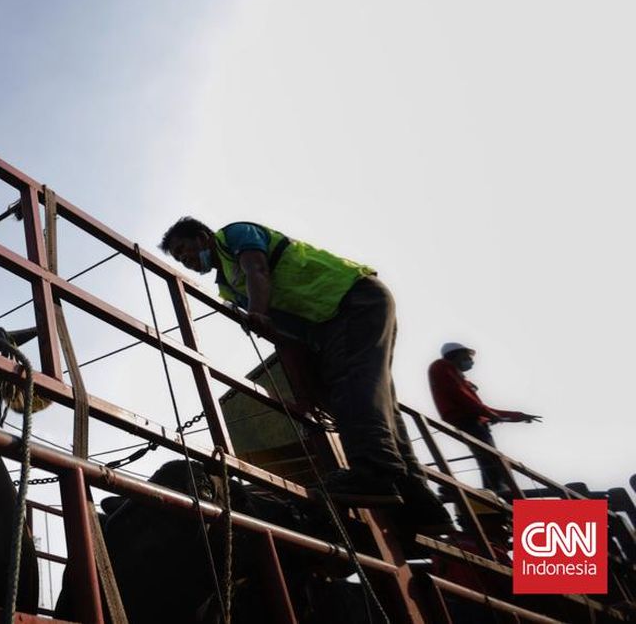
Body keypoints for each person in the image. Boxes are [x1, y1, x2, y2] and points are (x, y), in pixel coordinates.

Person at [159, 217, 452, 533]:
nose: (185, 260)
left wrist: (256, 311)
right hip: (328, 324)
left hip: (350, 298)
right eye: (178, 259)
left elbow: (257, 269)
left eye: (184, 249)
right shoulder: (227, 287)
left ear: (203, 237)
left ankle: (375, 471)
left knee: (354, 384)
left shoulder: (235, 234)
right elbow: (282, 331)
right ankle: (419, 502)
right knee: (379, 402)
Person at [428, 343, 540, 497]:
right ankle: (496, 490)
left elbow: (479, 406)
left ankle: (494, 489)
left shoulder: (456, 377)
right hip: (466, 419)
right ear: (456, 354)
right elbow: (462, 397)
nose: (470, 361)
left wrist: (517, 416)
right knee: (491, 458)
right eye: (467, 357)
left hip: (471, 419)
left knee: (489, 458)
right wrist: (487, 413)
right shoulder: (442, 366)